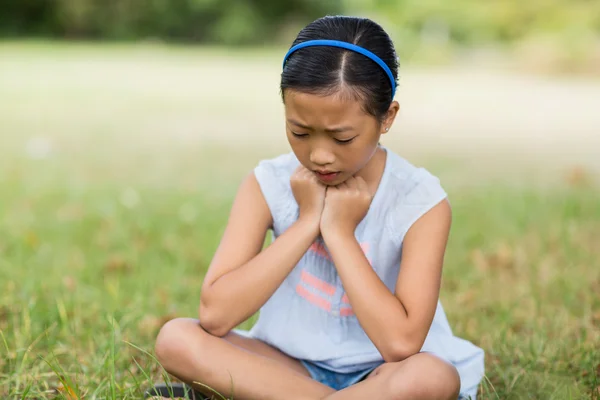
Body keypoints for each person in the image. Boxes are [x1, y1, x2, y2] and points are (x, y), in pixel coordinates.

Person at [148, 15, 485, 400]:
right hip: (285, 366)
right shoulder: (268, 184)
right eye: (300, 133)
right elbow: (215, 314)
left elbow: (401, 345)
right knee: (177, 339)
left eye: (342, 137)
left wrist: (340, 233)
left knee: (432, 377)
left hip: (384, 376)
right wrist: (307, 222)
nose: (320, 155)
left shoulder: (420, 201)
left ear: (386, 118)